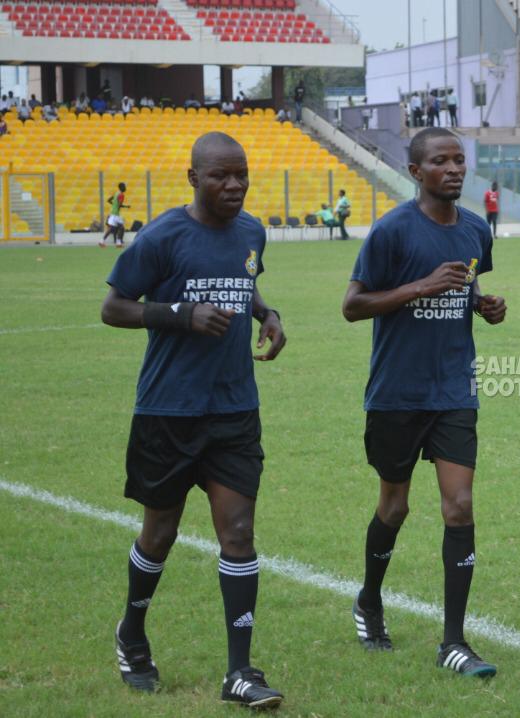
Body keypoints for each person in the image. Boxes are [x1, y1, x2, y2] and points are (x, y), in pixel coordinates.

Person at [100, 132, 287, 707]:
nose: (233, 186)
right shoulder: (160, 237)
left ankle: (239, 672)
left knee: (238, 533)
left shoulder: (252, 231)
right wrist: (179, 314)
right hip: (168, 411)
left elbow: (245, 282)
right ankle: (132, 633)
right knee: (160, 534)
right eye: (220, 177)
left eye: (241, 175)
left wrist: (268, 313)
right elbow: (113, 307)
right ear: (193, 178)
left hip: (234, 409)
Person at [341, 126, 506, 678]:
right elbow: (353, 305)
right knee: (395, 506)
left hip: (454, 390)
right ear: (416, 172)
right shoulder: (391, 232)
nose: (455, 169)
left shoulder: (477, 231)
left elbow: (465, 286)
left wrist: (482, 303)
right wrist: (419, 287)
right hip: (397, 393)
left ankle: (453, 641)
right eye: (441, 161)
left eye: (460, 160)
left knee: (459, 506)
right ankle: (369, 599)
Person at [100, 183, 131, 248]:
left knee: (111, 228)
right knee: (121, 228)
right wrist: (124, 206)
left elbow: (108, 200)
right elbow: (119, 205)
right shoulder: (121, 195)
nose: (125, 188)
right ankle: (118, 243)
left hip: (112, 212)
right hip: (116, 214)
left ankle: (102, 241)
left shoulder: (116, 193)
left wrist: (114, 205)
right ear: (121, 187)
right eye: (124, 186)